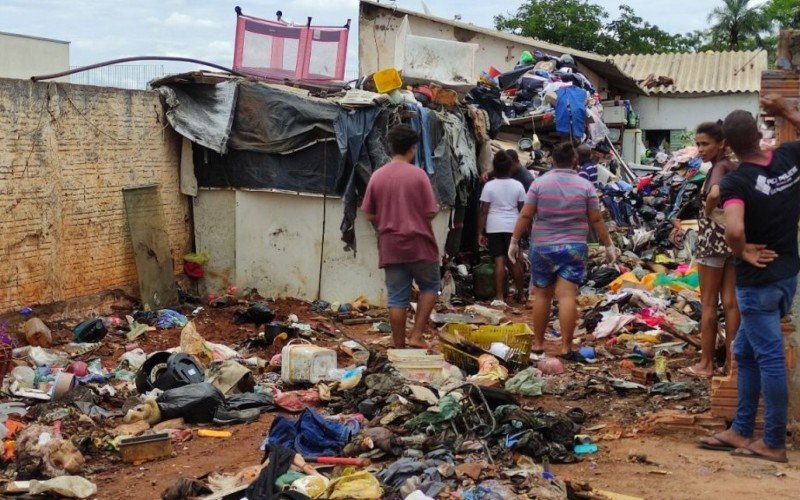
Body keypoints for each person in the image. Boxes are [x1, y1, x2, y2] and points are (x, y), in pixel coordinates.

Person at [697, 98, 800, 463]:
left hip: (757, 282)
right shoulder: (788, 159)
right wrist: (787, 112)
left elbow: (735, 228)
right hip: (787, 273)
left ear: (727, 145)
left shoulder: (737, 180)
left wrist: (742, 252)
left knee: (769, 358)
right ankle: (741, 428)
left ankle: (772, 441)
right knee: (744, 350)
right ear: (759, 135)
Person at [509, 142, 619, 358]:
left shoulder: (539, 184)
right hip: (574, 248)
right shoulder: (585, 186)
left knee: (542, 296)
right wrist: (609, 245)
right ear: (575, 161)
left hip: (542, 247)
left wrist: (514, 241)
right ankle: (566, 347)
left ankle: (539, 344)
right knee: (567, 297)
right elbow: (595, 219)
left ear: (552, 160)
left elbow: (526, 215)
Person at [361, 124, 440, 349]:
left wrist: (387, 218)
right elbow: (431, 210)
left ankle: (398, 345)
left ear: (391, 147)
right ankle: (416, 336)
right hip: (420, 243)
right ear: (412, 149)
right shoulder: (419, 175)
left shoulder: (378, 176)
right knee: (430, 286)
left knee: (397, 297)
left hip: (390, 244)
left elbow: (368, 213)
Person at [682, 122, 740, 378]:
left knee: (707, 303)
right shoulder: (734, 166)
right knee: (730, 303)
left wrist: (707, 211)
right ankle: (731, 364)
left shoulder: (719, 167)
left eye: (705, 144)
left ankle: (705, 364)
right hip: (732, 243)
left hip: (713, 243)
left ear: (721, 144)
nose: (700, 149)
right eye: (698, 144)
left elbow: (714, 193)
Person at [478, 151, 527, 307]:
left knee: (499, 261)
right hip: (513, 226)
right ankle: (521, 294)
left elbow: (484, 211)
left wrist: (480, 232)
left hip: (494, 226)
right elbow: (522, 210)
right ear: (509, 167)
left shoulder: (489, 186)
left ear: (495, 168)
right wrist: (525, 229)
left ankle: (499, 296)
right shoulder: (518, 185)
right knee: (514, 260)